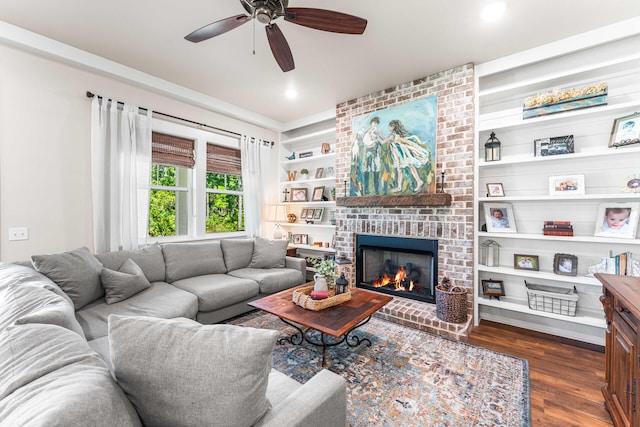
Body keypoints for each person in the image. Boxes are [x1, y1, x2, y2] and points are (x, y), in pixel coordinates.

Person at [384, 119, 431, 193]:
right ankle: (400, 186)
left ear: (393, 127)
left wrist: (377, 136)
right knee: (402, 169)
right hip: (399, 156)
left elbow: (383, 142)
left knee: (409, 167)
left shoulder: (392, 136)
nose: (388, 128)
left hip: (401, 156)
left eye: (389, 126)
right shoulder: (396, 135)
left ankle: (418, 181)